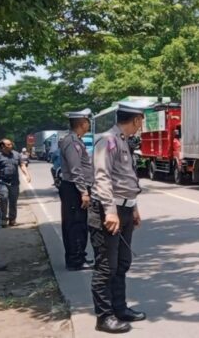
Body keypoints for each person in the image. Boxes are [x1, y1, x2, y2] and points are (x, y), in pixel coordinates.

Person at [88, 103, 146, 334]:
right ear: (134, 120)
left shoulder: (123, 141)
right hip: (107, 210)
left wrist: (133, 208)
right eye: (141, 120)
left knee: (122, 264)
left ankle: (119, 309)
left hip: (124, 209)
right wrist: (110, 210)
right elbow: (102, 177)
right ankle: (104, 317)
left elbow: (126, 180)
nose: (141, 125)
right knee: (106, 266)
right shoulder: (108, 140)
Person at [59, 108, 94, 271]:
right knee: (75, 225)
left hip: (75, 188)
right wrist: (83, 191)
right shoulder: (72, 142)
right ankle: (75, 260)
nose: (89, 124)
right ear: (82, 123)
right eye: (88, 121)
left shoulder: (76, 140)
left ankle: (78, 256)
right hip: (74, 189)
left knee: (79, 224)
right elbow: (75, 169)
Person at [0, 139, 31, 226]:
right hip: (2, 182)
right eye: (8, 145)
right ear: (2, 146)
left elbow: (22, 165)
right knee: (3, 199)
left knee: (13, 201)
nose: (11, 145)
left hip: (14, 182)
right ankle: (3, 219)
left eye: (11, 144)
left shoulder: (16, 154)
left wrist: (27, 174)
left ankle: (12, 220)